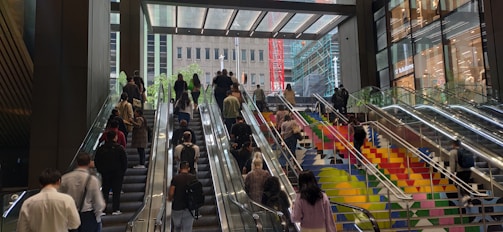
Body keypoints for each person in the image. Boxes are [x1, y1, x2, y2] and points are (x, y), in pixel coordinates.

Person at [60, 153, 106, 232]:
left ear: (76, 162)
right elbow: (99, 204)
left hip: (69, 214)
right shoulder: (93, 180)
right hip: (87, 215)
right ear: (89, 163)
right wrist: (97, 216)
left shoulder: (65, 178)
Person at [94, 130, 128, 215]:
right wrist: (122, 171)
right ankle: (115, 209)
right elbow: (124, 161)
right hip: (117, 174)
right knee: (116, 191)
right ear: (115, 137)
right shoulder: (120, 148)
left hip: (105, 173)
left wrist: (100, 170)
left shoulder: (101, 149)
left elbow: (97, 161)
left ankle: (103, 209)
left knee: (105, 191)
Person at [168, 161, 197, 232]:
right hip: (189, 208)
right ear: (189, 169)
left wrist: (170, 199)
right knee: (187, 229)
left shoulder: (175, 178)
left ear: (179, 169)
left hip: (177, 207)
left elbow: (171, 192)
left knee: (177, 227)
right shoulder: (193, 178)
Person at [449, 139, 473, 207]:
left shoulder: (453, 152)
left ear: (453, 145)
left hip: (460, 171)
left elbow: (452, 163)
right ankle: (469, 202)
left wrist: (452, 173)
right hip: (468, 170)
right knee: (466, 185)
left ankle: (465, 196)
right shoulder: (465, 151)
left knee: (457, 184)